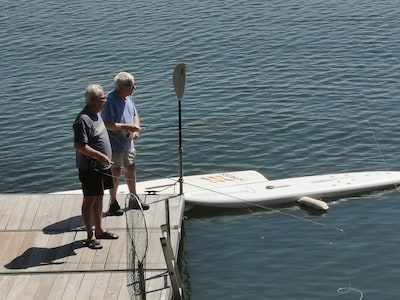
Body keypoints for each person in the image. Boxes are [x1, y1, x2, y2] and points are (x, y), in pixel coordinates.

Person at [73, 84, 119, 250]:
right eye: (102, 98)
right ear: (92, 100)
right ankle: (90, 236)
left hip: (102, 167)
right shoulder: (83, 120)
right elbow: (79, 145)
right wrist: (100, 156)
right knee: (90, 199)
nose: (105, 101)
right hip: (90, 169)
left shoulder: (96, 114)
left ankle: (99, 230)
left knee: (99, 197)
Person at [102, 71, 150, 216]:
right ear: (121, 87)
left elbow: (135, 115)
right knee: (115, 172)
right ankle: (113, 202)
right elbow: (107, 124)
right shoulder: (109, 100)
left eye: (134, 85)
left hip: (128, 144)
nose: (134, 88)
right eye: (131, 86)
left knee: (131, 168)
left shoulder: (128, 98)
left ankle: (133, 199)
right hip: (114, 145)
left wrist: (135, 130)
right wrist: (127, 127)